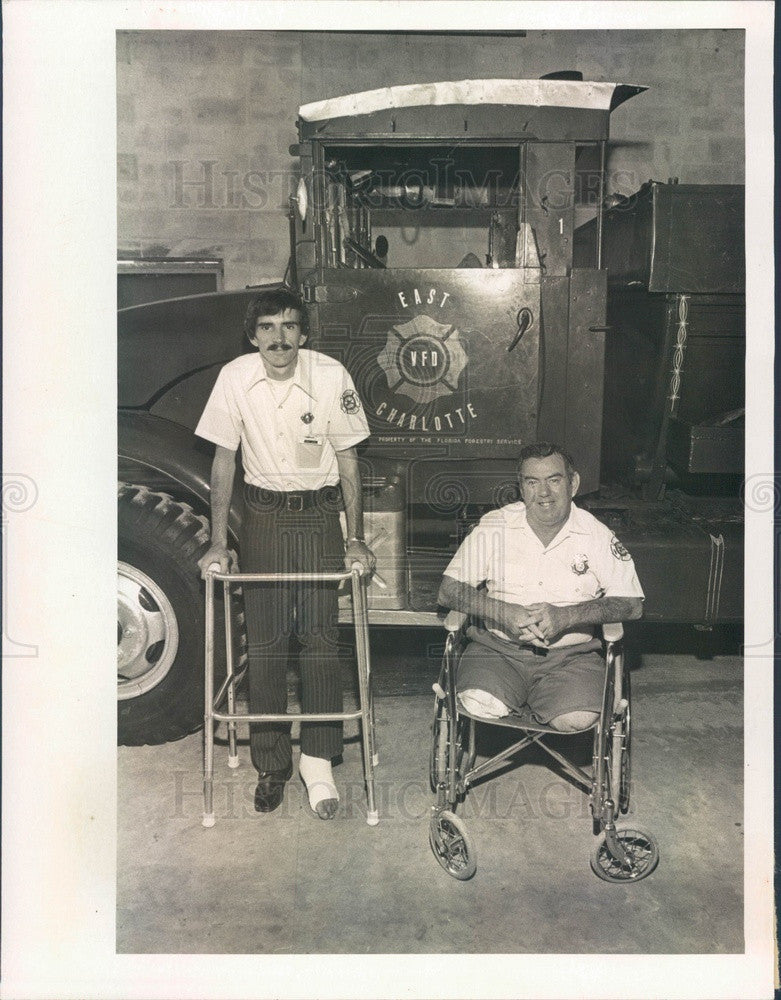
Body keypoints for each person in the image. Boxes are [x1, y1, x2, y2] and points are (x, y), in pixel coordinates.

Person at [195, 288, 375, 818]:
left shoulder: (330, 375)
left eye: (290, 326)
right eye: (268, 328)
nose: (280, 338)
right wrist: (218, 542)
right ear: (253, 337)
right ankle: (271, 764)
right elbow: (223, 463)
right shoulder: (234, 377)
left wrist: (355, 536)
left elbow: (348, 463)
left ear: (303, 332)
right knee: (269, 642)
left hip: (319, 517)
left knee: (319, 640)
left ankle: (318, 763)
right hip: (264, 519)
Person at [438, 442, 643, 731]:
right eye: (532, 482)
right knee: (477, 703)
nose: (543, 493)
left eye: (554, 480)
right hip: (499, 653)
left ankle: (545, 701)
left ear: (573, 484)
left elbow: (631, 604)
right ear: (521, 487)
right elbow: (448, 590)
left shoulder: (596, 534)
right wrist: (502, 611)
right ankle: (515, 697)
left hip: (570, 661)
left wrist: (566, 617)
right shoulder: (495, 526)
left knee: (575, 720)